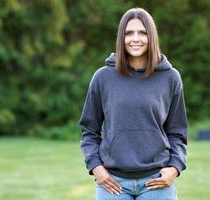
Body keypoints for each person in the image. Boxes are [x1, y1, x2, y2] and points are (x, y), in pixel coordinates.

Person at [78, 7, 188, 200]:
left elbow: (177, 132)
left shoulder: (170, 77)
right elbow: (89, 131)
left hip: (157, 182)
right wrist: (96, 168)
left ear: (151, 37)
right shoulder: (102, 78)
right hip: (112, 183)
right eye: (128, 33)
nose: (135, 39)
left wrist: (175, 168)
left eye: (142, 33)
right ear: (121, 38)